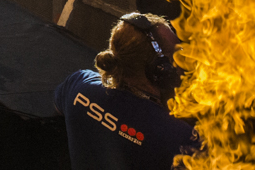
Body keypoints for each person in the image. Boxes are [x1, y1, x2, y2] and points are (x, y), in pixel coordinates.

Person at [53, 14, 198, 168]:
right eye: (177, 53)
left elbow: (58, 108)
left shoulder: (78, 85)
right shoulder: (180, 137)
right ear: (160, 68)